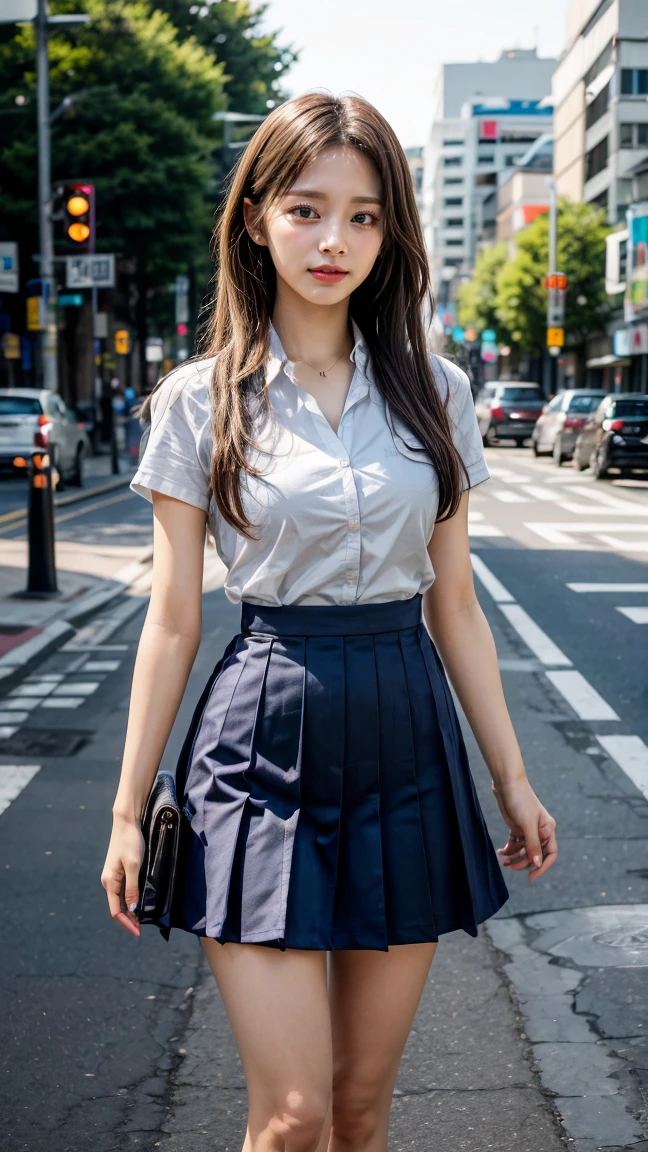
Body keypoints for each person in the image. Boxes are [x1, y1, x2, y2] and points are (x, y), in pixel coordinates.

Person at [101, 92, 557, 1152]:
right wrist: (129, 809)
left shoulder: (435, 393)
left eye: (363, 216)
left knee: (358, 1113)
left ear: (391, 231)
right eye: (307, 209)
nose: (334, 240)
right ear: (257, 216)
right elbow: (171, 620)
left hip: (407, 736)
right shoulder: (200, 400)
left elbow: (455, 602)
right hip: (258, 742)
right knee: (295, 1117)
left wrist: (514, 777)